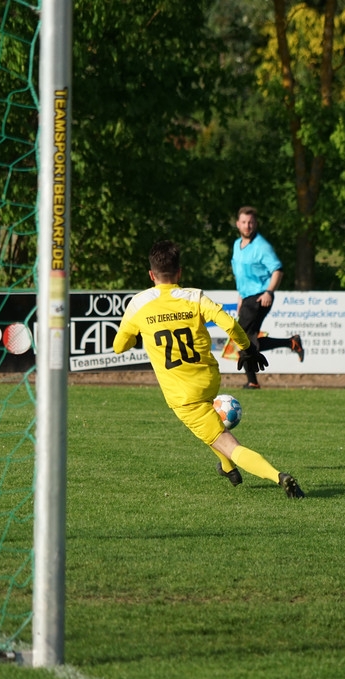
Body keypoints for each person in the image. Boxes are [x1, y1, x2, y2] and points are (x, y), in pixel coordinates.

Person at [113, 240, 304, 498]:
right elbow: (230, 324)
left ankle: (278, 476)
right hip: (208, 379)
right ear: (179, 272)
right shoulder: (194, 297)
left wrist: (137, 336)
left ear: (151, 275)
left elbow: (119, 346)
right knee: (209, 428)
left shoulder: (139, 304)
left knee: (225, 441)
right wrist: (248, 348)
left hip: (183, 395)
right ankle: (227, 468)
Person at [231, 206, 304, 389]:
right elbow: (241, 275)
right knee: (246, 340)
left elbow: (277, 270)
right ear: (238, 224)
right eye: (244, 222)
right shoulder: (237, 245)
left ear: (255, 224)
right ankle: (290, 343)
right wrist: (240, 297)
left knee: (241, 338)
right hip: (247, 298)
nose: (247, 226)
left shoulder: (262, 246)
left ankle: (253, 381)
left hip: (259, 297)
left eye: (250, 222)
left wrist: (269, 292)